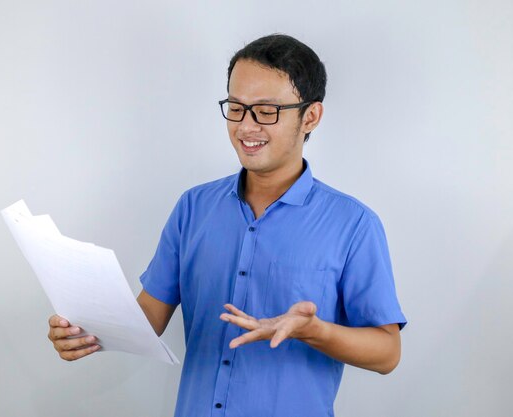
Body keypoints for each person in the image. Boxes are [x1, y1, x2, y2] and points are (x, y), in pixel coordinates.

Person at [47, 34, 406, 417]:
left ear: (311, 116)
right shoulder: (193, 207)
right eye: (236, 107)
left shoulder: (353, 224)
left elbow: (387, 353)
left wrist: (316, 331)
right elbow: (147, 319)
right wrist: (85, 333)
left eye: (267, 111)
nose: (246, 127)